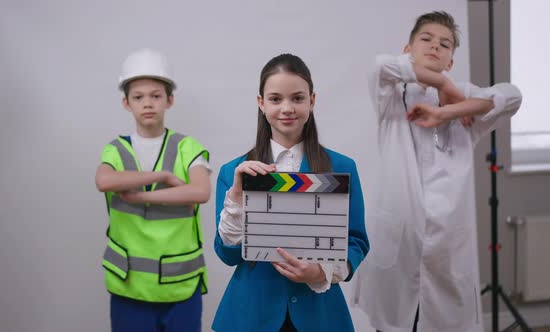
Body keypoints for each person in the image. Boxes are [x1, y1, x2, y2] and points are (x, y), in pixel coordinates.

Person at [353, 11, 522, 332]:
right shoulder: (392, 97)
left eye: (445, 44)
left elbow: (513, 96)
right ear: (408, 49)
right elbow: (378, 65)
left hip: (447, 250)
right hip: (400, 244)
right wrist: (442, 82)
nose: (435, 47)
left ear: (452, 61)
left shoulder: (464, 107)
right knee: (394, 323)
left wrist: (448, 110)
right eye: (426, 39)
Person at [212, 53, 369, 332]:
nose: (287, 108)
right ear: (261, 103)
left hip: (319, 314)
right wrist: (237, 195)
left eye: (297, 98)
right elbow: (228, 254)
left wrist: (321, 272)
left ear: (312, 101)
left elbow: (356, 241)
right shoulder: (233, 171)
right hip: (251, 315)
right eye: (275, 99)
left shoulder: (342, 167)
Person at [95, 48, 211, 332]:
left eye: (156, 95)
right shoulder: (116, 149)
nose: (147, 103)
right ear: (126, 103)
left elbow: (201, 191)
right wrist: (163, 175)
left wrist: (142, 196)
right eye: (138, 97)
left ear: (169, 100)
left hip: (180, 286)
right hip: (129, 286)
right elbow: (104, 181)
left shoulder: (188, 147)